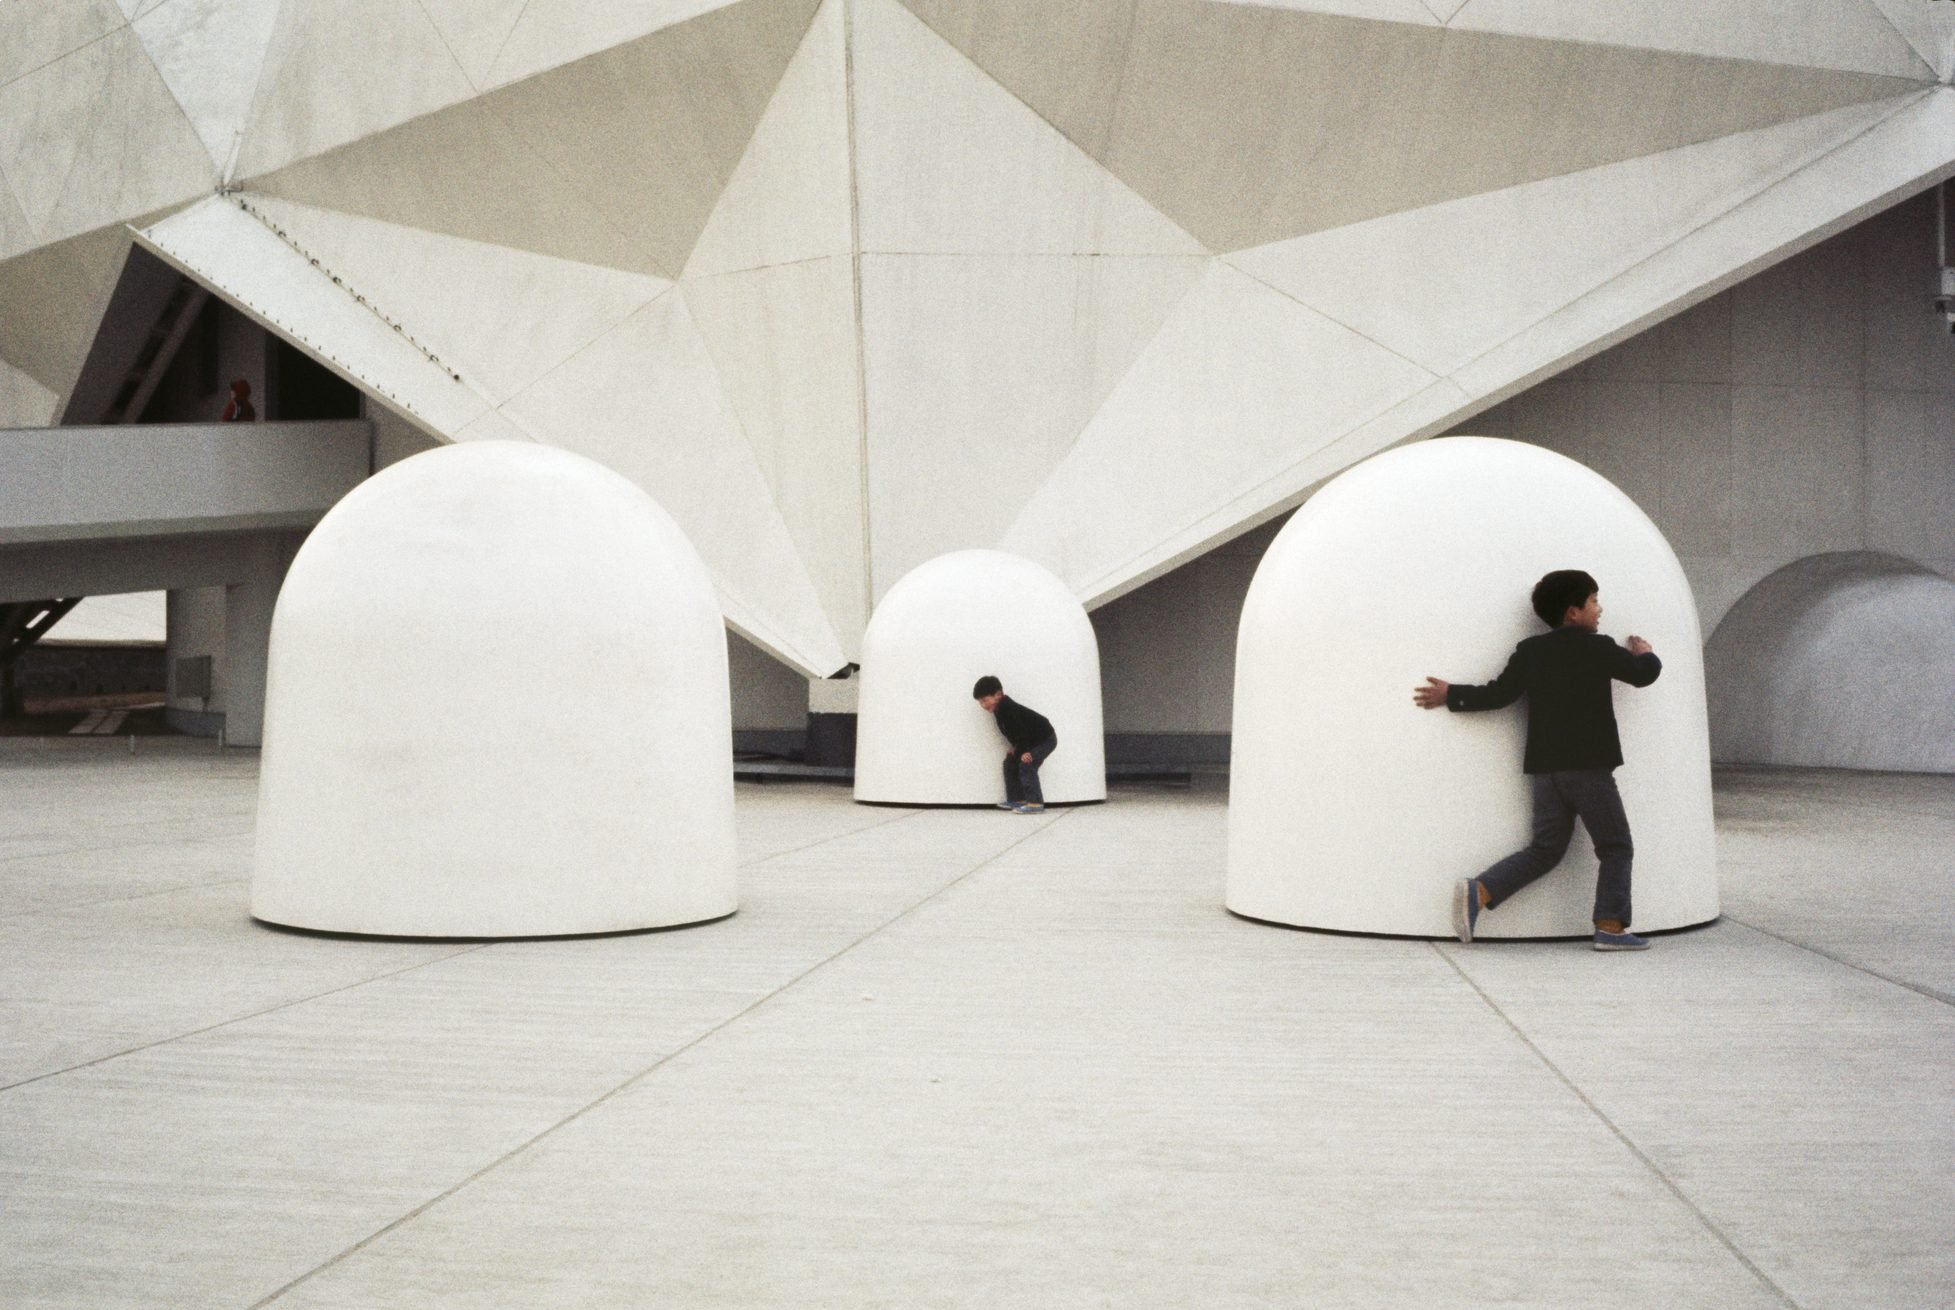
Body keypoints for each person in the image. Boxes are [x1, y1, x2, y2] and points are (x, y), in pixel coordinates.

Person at [1411, 569, 1661, 951]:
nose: (1600, 609)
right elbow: (1643, 675)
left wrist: (1452, 694)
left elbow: (1498, 695)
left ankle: (1480, 891)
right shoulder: (1599, 647)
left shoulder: (1531, 651)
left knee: (1546, 849)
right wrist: (1645, 653)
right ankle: (1611, 927)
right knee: (1615, 846)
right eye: (1594, 601)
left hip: (1547, 771)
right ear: (1573, 612)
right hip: (1589, 769)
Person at [972, 675, 1056, 814]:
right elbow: (1012, 732)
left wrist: (1025, 751)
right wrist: (1016, 747)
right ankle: (1017, 799)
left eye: (985, 700)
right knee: (1010, 763)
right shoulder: (999, 709)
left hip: (1045, 739)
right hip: (1030, 740)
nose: (983, 705)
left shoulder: (1008, 708)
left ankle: (1035, 803)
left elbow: (1021, 731)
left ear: (998, 695)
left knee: (1027, 764)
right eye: (980, 702)